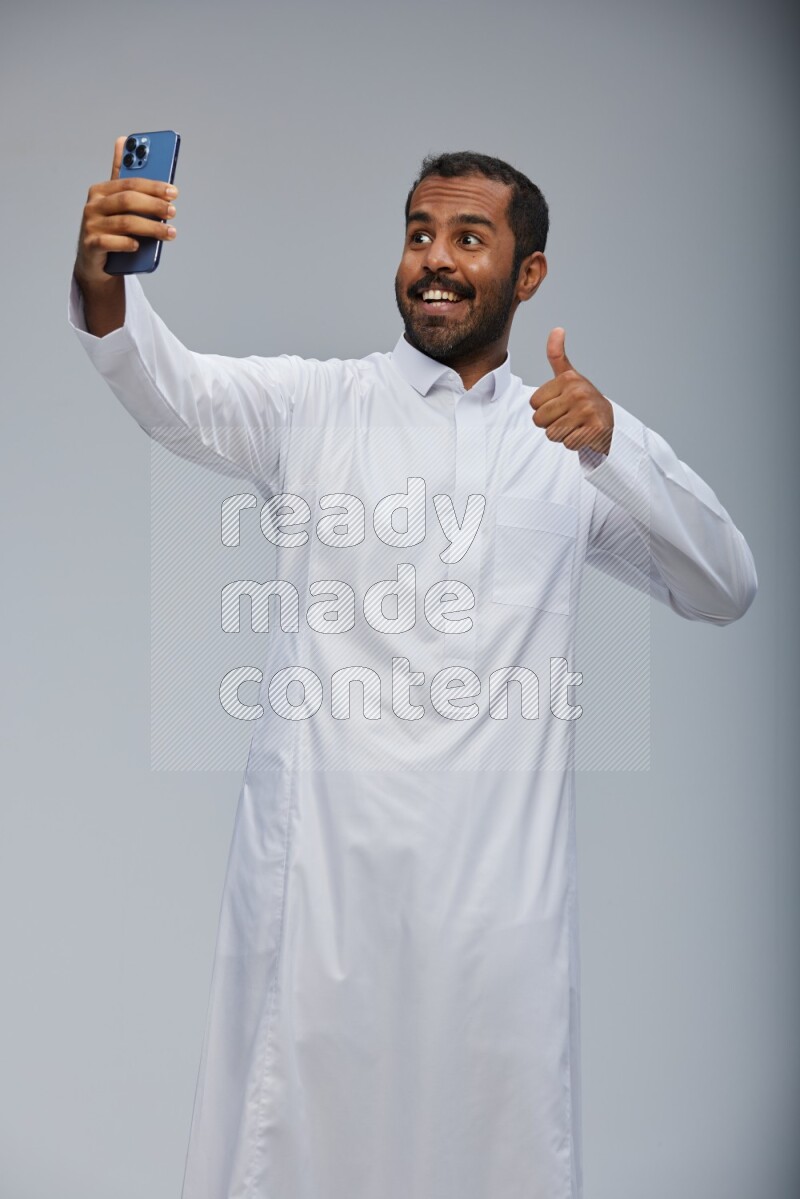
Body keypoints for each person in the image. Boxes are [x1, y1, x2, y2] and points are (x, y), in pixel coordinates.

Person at [70, 139, 757, 1199]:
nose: (432, 259)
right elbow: (172, 388)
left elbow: (722, 582)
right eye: (417, 233)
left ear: (526, 275)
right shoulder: (318, 406)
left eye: (467, 238)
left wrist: (618, 444)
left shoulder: (564, 445)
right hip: (320, 901)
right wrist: (104, 281)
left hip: (497, 916)